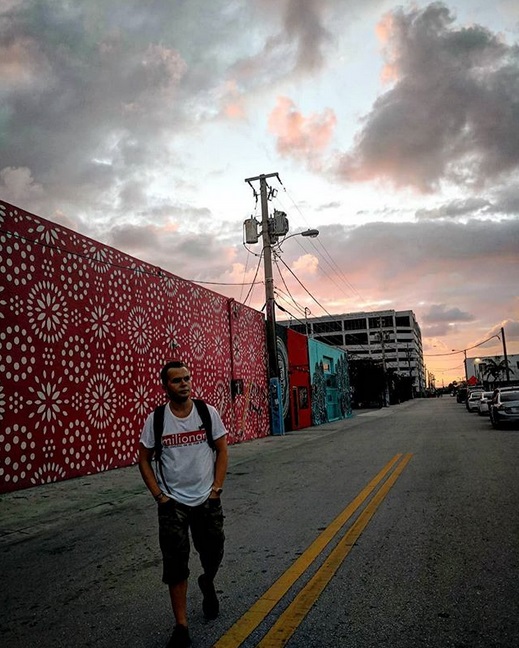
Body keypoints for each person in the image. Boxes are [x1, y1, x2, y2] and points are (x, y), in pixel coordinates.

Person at [139, 360, 228, 648]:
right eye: (177, 380)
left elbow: (222, 449)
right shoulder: (157, 420)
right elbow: (143, 459)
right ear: (165, 386)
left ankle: (207, 581)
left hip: (206, 499)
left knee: (213, 552)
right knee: (175, 564)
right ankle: (181, 625)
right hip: (172, 504)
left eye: (187, 378)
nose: (184, 384)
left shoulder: (207, 412)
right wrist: (159, 497)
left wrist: (216, 489)